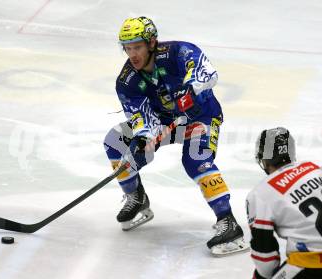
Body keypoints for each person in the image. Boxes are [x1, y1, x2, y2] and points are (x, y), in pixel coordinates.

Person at [103, 16, 248, 256]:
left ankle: (228, 221)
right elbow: (140, 116)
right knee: (115, 142)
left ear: (151, 43)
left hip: (201, 116)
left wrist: (192, 90)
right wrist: (142, 138)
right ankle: (136, 197)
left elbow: (208, 73)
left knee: (195, 160)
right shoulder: (127, 80)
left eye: (137, 47)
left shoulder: (178, 52)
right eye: (127, 49)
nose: (132, 54)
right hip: (165, 122)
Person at [246, 127, 322, 278]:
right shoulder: (318, 168)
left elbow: (264, 256)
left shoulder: (260, 193)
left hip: (315, 269)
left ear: (263, 158)